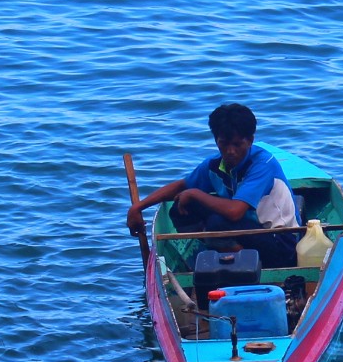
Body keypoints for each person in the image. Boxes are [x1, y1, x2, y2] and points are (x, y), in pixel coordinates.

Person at [128, 103, 300, 268]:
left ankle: (250, 265)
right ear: (216, 140)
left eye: (237, 144)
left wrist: (195, 193)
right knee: (182, 207)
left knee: (216, 222)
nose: (230, 151)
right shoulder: (215, 164)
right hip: (248, 231)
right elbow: (182, 186)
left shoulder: (262, 164)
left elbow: (235, 212)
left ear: (250, 141)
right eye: (224, 144)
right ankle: (221, 250)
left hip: (280, 243)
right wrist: (138, 208)